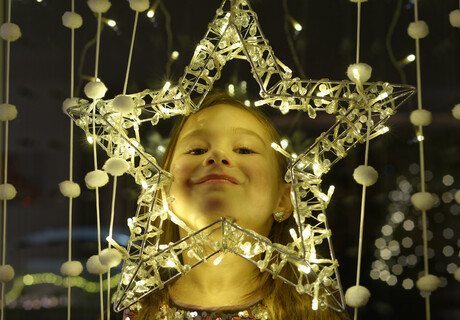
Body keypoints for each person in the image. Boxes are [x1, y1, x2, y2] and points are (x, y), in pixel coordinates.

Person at [123, 92, 350, 320]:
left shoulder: (314, 315)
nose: (218, 156)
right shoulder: (131, 314)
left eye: (244, 149)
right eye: (197, 150)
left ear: (284, 199)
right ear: (162, 194)